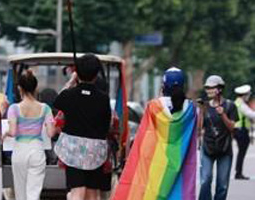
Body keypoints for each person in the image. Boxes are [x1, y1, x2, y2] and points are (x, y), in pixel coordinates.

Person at [113, 68, 198, 200]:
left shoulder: (154, 106)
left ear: (164, 86)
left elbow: (144, 135)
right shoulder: (191, 109)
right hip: (180, 161)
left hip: (156, 163)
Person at [52, 54, 111, 200]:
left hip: (73, 150)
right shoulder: (103, 99)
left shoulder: (69, 95)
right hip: (95, 150)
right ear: (96, 74)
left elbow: (57, 101)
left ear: (76, 73)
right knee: (92, 193)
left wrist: (72, 82)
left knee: (77, 190)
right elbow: (106, 126)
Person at [4, 70, 55, 200]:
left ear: (19, 88)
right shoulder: (45, 108)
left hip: (20, 151)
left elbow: (13, 132)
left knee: (20, 194)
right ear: (35, 88)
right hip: (37, 151)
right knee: (33, 193)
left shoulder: (13, 108)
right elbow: (51, 133)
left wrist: (5, 133)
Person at [199, 75, 238, 200]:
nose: (209, 90)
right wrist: (200, 111)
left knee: (223, 185)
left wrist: (223, 115)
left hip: (224, 149)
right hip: (207, 148)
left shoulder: (230, 105)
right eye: (207, 88)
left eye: (212, 88)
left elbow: (232, 127)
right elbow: (199, 129)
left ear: (220, 89)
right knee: (205, 180)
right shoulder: (204, 106)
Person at [232, 84, 255, 180]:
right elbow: (251, 115)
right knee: (242, 152)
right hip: (241, 130)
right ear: (244, 95)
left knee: (241, 152)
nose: (248, 96)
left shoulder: (238, 102)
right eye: (248, 94)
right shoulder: (240, 103)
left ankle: (239, 172)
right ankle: (238, 173)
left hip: (240, 130)